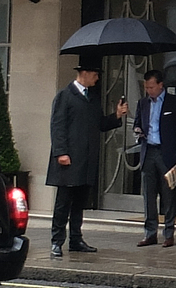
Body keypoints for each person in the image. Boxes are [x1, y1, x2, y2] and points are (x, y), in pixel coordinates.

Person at [47, 58, 123, 259]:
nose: (97, 79)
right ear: (85, 73)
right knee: (64, 202)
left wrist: (116, 116)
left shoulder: (92, 98)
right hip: (69, 159)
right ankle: (56, 241)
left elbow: (99, 124)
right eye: (95, 75)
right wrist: (61, 152)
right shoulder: (65, 96)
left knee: (80, 203)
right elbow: (57, 126)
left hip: (86, 159)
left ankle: (76, 239)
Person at [133, 65, 176, 248]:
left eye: (152, 87)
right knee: (148, 194)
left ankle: (169, 232)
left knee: (169, 194)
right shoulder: (143, 103)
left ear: (161, 85)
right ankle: (150, 233)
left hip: (167, 151)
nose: (149, 91)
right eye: (146, 87)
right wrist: (138, 130)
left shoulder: (174, 103)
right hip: (149, 151)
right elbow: (138, 123)